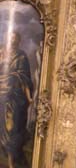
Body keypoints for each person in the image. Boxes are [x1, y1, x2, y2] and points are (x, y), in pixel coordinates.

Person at [0, 31, 34, 168]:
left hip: (15, 98)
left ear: (18, 41)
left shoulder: (21, 56)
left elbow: (25, 77)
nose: (12, 41)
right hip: (2, 95)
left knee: (12, 129)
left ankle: (11, 163)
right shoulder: (2, 52)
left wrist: (29, 97)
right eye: (10, 38)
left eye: (15, 38)